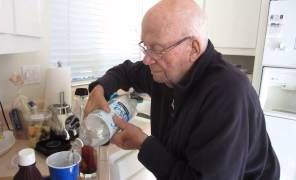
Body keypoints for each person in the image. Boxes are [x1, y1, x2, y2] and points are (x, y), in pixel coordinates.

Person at [84, 0, 280, 179]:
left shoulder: (227, 94)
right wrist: (100, 88)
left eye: (157, 49)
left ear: (193, 49)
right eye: (146, 47)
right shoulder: (164, 71)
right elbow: (125, 72)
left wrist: (144, 144)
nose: (147, 59)